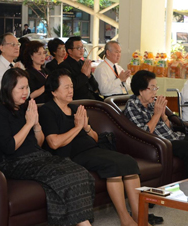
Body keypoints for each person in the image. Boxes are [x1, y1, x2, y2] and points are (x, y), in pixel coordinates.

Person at [0, 68, 95, 226]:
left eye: (27, 87)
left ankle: (81, 222)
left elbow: (38, 143)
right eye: (21, 88)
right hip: (15, 162)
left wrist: (36, 125)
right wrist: (29, 123)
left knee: (80, 172)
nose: (25, 92)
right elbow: (10, 147)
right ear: (8, 88)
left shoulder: (26, 109)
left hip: (38, 157)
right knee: (65, 177)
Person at [40, 69, 142, 226]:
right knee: (113, 166)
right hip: (71, 155)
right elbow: (54, 143)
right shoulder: (48, 110)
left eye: (72, 86)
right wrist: (77, 127)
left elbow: (94, 139)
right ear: (54, 91)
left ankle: (139, 216)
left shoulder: (75, 109)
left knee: (129, 162)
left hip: (91, 150)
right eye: (66, 87)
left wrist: (86, 127)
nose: (71, 90)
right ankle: (125, 219)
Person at [124, 70, 188, 178]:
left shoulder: (152, 103)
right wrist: (157, 115)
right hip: (159, 143)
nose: (155, 92)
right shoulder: (132, 106)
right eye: (152, 88)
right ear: (141, 90)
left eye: (156, 88)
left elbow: (168, 128)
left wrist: (163, 115)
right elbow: (144, 134)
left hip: (172, 137)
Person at [59, 36, 101, 100]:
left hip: (91, 97)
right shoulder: (64, 66)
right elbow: (71, 86)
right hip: (78, 101)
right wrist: (83, 75)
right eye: (78, 48)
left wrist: (89, 76)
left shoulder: (83, 63)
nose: (82, 50)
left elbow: (95, 86)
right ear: (70, 51)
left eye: (82, 47)